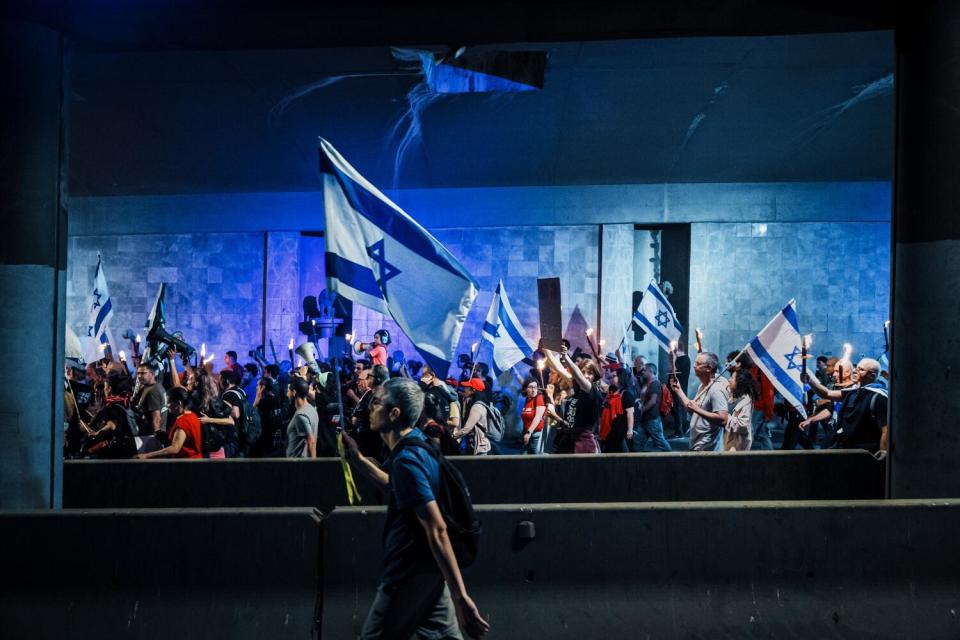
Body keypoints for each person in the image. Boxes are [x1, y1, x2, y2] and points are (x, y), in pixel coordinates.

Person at [340, 378, 490, 639]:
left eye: (377, 403)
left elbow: (437, 528)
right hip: (430, 573)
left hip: (406, 575)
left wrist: (460, 596)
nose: (370, 409)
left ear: (394, 413)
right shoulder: (418, 446)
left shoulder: (407, 460)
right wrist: (358, 460)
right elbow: (399, 487)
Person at [802, 358, 888, 457]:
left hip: (864, 452)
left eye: (861, 369)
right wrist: (810, 381)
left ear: (872, 375)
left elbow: (885, 430)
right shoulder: (853, 392)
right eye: (857, 368)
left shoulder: (879, 396)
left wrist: (883, 454)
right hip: (846, 447)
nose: (855, 371)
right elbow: (827, 393)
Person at [671, 351, 729, 451]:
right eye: (695, 363)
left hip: (707, 447)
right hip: (697, 443)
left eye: (698, 364)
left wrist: (697, 409)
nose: (694, 366)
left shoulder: (716, 390)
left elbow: (723, 419)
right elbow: (693, 410)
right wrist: (679, 391)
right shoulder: (702, 386)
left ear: (709, 368)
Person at [135, 387, 203, 460]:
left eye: (168, 402)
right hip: (196, 461)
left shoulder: (183, 421)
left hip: (186, 464)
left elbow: (175, 449)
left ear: (179, 403)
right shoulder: (193, 415)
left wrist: (146, 456)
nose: (167, 405)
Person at [558, 345, 603, 454]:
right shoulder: (577, 390)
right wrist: (548, 349)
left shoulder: (593, 391)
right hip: (569, 440)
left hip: (584, 443)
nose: (586, 376)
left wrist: (566, 357)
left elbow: (579, 376)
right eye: (583, 372)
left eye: (590, 373)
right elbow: (558, 368)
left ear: (595, 377)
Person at [633, 363, 672, 452]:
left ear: (650, 371)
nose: (643, 372)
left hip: (652, 419)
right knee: (638, 442)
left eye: (645, 370)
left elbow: (653, 401)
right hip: (647, 419)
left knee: (661, 442)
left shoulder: (655, 383)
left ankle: (673, 459)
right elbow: (642, 395)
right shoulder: (648, 383)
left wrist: (642, 410)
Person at [453, 378, 491, 456]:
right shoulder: (471, 403)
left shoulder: (477, 407)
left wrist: (453, 437)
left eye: (467, 387)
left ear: (473, 391)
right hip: (472, 446)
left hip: (479, 450)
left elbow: (467, 429)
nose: (464, 389)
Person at [723, 368, 756, 451]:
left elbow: (743, 424)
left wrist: (725, 417)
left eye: (732, 378)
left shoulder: (746, 401)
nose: (729, 379)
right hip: (728, 441)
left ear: (740, 382)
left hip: (737, 444)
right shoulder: (733, 396)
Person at [286, 375, 318, 458]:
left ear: (294, 392)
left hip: (298, 463)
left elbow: (311, 441)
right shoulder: (311, 408)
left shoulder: (300, 415)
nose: (287, 393)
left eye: (288, 391)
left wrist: (314, 465)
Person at [134, 364, 166, 438]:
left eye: (143, 373)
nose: (139, 376)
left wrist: (156, 438)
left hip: (151, 435)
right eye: (138, 373)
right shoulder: (151, 386)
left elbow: (156, 417)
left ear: (152, 374)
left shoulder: (153, 391)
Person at [519, 378, 546, 454]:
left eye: (535, 387)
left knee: (534, 460)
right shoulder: (528, 399)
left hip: (535, 434)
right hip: (527, 433)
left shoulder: (539, 398)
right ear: (526, 389)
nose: (533, 389)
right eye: (531, 387)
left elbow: (538, 417)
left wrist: (528, 433)